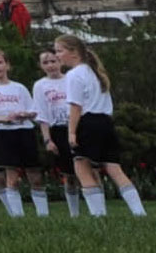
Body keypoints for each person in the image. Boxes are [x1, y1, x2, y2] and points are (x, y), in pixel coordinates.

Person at [54, 33, 146, 217]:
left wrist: (71, 133)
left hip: (88, 123)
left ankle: (98, 215)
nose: (57, 55)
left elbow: (75, 106)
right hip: (105, 122)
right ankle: (139, 212)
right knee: (114, 168)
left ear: (74, 52)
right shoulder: (94, 72)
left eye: (59, 50)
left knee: (81, 166)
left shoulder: (74, 74)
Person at [0, 48, 43, 217]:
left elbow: (33, 111)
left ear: (7, 65)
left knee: (34, 174)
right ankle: (17, 215)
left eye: (0, 62)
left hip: (24, 131)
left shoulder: (19, 88)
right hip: (3, 134)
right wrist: (5, 119)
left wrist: (24, 114)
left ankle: (43, 214)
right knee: (11, 175)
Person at [32, 51, 87, 217]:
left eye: (53, 61)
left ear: (60, 62)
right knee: (69, 174)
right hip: (58, 130)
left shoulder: (71, 79)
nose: (50, 65)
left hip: (78, 127)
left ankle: (96, 208)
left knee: (86, 170)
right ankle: (74, 213)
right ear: (41, 66)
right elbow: (42, 114)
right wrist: (47, 139)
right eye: (46, 62)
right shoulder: (40, 85)